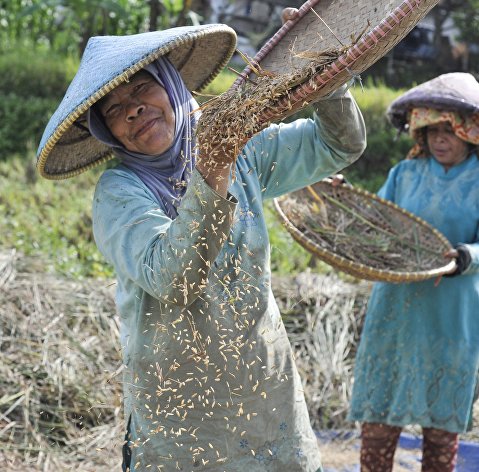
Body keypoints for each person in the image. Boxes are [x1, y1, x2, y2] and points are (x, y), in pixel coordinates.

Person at [37, 10, 366, 471]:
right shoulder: (120, 193)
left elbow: (337, 147)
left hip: (265, 395)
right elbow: (174, 279)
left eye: (141, 88)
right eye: (113, 109)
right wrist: (212, 171)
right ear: (106, 131)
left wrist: (325, 77)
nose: (132, 108)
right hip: (180, 417)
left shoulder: (238, 149)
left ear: (171, 86)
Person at [347, 72, 479, 472]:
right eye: (432, 131)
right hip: (396, 310)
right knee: (378, 421)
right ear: (419, 133)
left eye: (449, 131)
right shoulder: (403, 175)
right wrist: (345, 200)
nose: (440, 140)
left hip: (450, 314)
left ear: (470, 132)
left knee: (440, 432)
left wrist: (465, 255)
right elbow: (375, 223)